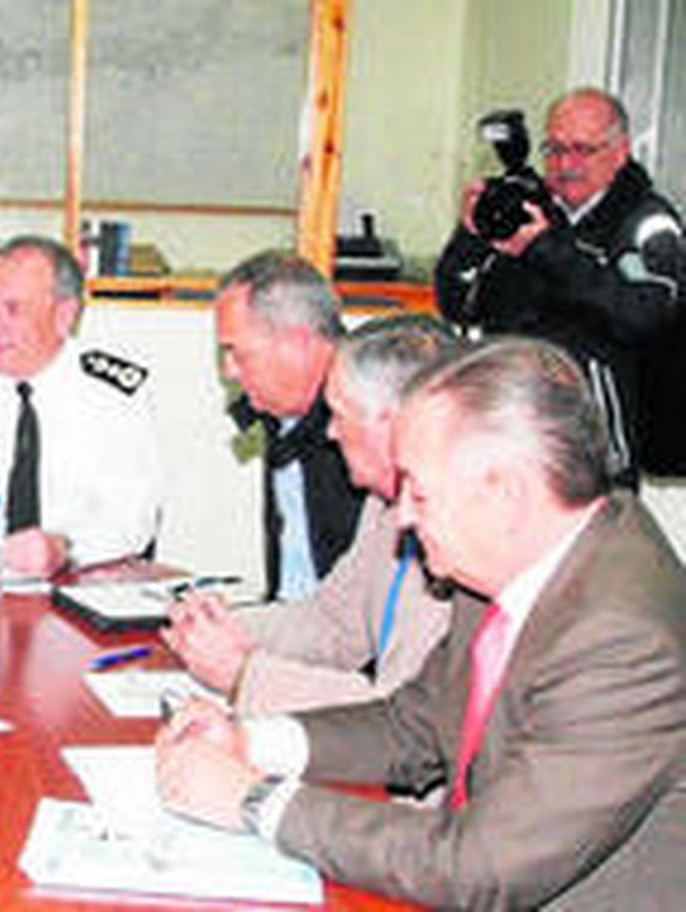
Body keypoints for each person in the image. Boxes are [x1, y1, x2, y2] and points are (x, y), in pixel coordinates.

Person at [155, 337, 686, 909]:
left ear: (504, 494)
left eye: (422, 493)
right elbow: (415, 724)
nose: (402, 515)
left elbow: (479, 868)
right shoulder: (507, 565)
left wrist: (254, 800)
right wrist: (254, 741)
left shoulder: (623, 643)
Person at [165, 315, 457, 715]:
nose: (331, 433)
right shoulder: (384, 506)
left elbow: (410, 722)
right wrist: (221, 629)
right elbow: (332, 624)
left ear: (393, 423)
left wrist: (245, 675)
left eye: (340, 414)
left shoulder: (461, 537)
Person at [435, 87, 686, 484]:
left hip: (595, 453)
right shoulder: (529, 210)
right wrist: (469, 237)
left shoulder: (647, 222)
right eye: (553, 149)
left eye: (583, 150)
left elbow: (644, 315)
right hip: (509, 432)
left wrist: (546, 249)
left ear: (620, 153)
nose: (565, 164)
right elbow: (457, 304)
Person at [0, 236, 162, 578]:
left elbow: (133, 519)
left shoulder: (113, 396)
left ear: (64, 315)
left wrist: (66, 547)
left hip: (75, 585)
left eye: (13, 309)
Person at [215, 250, 361, 600]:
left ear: (297, 344)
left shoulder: (370, 424)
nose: (228, 371)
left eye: (238, 352)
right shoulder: (281, 415)